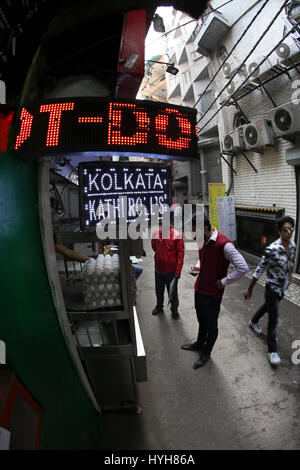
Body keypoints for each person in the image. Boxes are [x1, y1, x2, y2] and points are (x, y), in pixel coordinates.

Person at [181, 214, 249, 368]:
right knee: (201, 320)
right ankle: (199, 344)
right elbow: (203, 257)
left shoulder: (225, 245)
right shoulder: (203, 241)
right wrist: (198, 267)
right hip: (199, 288)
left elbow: (243, 267)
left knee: (211, 326)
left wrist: (224, 281)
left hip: (212, 295)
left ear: (205, 228)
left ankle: (207, 353)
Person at [244, 215, 296, 366]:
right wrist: (249, 289)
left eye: (291, 229)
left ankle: (253, 321)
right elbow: (259, 270)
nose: (289, 232)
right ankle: (272, 351)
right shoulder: (272, 249)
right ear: (280, 231)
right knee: (273, 318)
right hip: (271, 288)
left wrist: (290, 278)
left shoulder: (292, 246)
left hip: (282, 289)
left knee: (267, 306)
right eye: (286, 229)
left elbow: (290, 263)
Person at [151, 216, 184, 320]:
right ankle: (159, 306)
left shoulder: (177, 235)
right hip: (158, 269)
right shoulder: (156, 233)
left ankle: (174, 310)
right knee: (159, 290)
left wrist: (178, 271)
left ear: (170, 223)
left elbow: (180, 254)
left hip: (171, 271)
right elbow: (153, 247)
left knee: (173, 293)